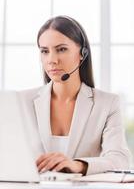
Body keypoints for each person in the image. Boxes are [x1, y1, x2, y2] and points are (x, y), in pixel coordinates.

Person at [20, 15, 130, 175]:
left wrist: (78, 165)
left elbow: (120, 159)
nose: (52, 60)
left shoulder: (108, 103)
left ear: (82, 54)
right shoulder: (22, 102)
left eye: (61, 49)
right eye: (45, 51)